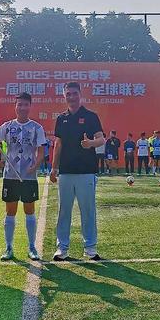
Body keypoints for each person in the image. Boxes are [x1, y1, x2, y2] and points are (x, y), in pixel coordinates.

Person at [0, 92, 46, 261]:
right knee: (10, 212)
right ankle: (9, 247)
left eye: (26, 104)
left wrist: (35, 166)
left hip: (29, 177)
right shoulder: (7, 126)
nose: (22, 107)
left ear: (30, 106)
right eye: (19, 104)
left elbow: (41, 151)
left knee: (29, 211)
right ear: (15, 106)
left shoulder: (37, 128)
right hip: (11, 176)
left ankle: (32, 247)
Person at [50, 82, 105, 261]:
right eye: (68, 94)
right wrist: (54, 168)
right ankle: (62, 248)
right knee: (64, 212)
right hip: (66, 172)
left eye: (74, 93)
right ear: (64, 96)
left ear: (80, 95)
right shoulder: (61, 118)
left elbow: (101, 139)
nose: (71, 97)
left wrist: (90, 144)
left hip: (86, 171)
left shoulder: (91, 116)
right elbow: (58, 144)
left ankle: (90, 248)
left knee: (87, 211)